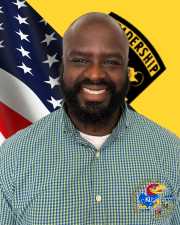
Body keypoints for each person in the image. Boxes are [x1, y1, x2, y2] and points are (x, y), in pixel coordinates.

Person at [0, 12, 179, 225]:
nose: (95, 74)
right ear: (63, 66)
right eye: (81, 60)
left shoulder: (171, 153)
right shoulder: (13, 158)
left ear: (127, 70)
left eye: (111, 62)